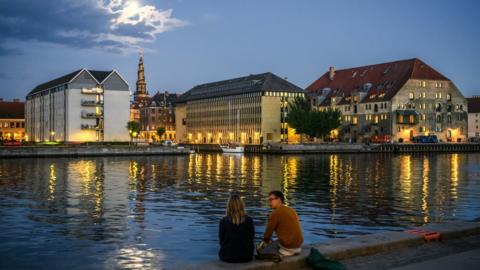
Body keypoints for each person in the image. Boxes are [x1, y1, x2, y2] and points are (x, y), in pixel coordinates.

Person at [260, 190, 303, 257]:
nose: (269, 203)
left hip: (288, 248)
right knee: (275, 241)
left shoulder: (275, 213)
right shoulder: (292, 210)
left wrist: (264, 243)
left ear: (279, 199)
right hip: (298, 246)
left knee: (262, 250)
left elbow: (267, 235)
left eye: (271, 200)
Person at [218, 194, 255, 263]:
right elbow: (251, 238)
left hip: (227, 257)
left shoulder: (223, 221)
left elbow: (221, 241)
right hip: (246, 256)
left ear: (229, 206)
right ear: (241, 205)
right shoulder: (249, 220)